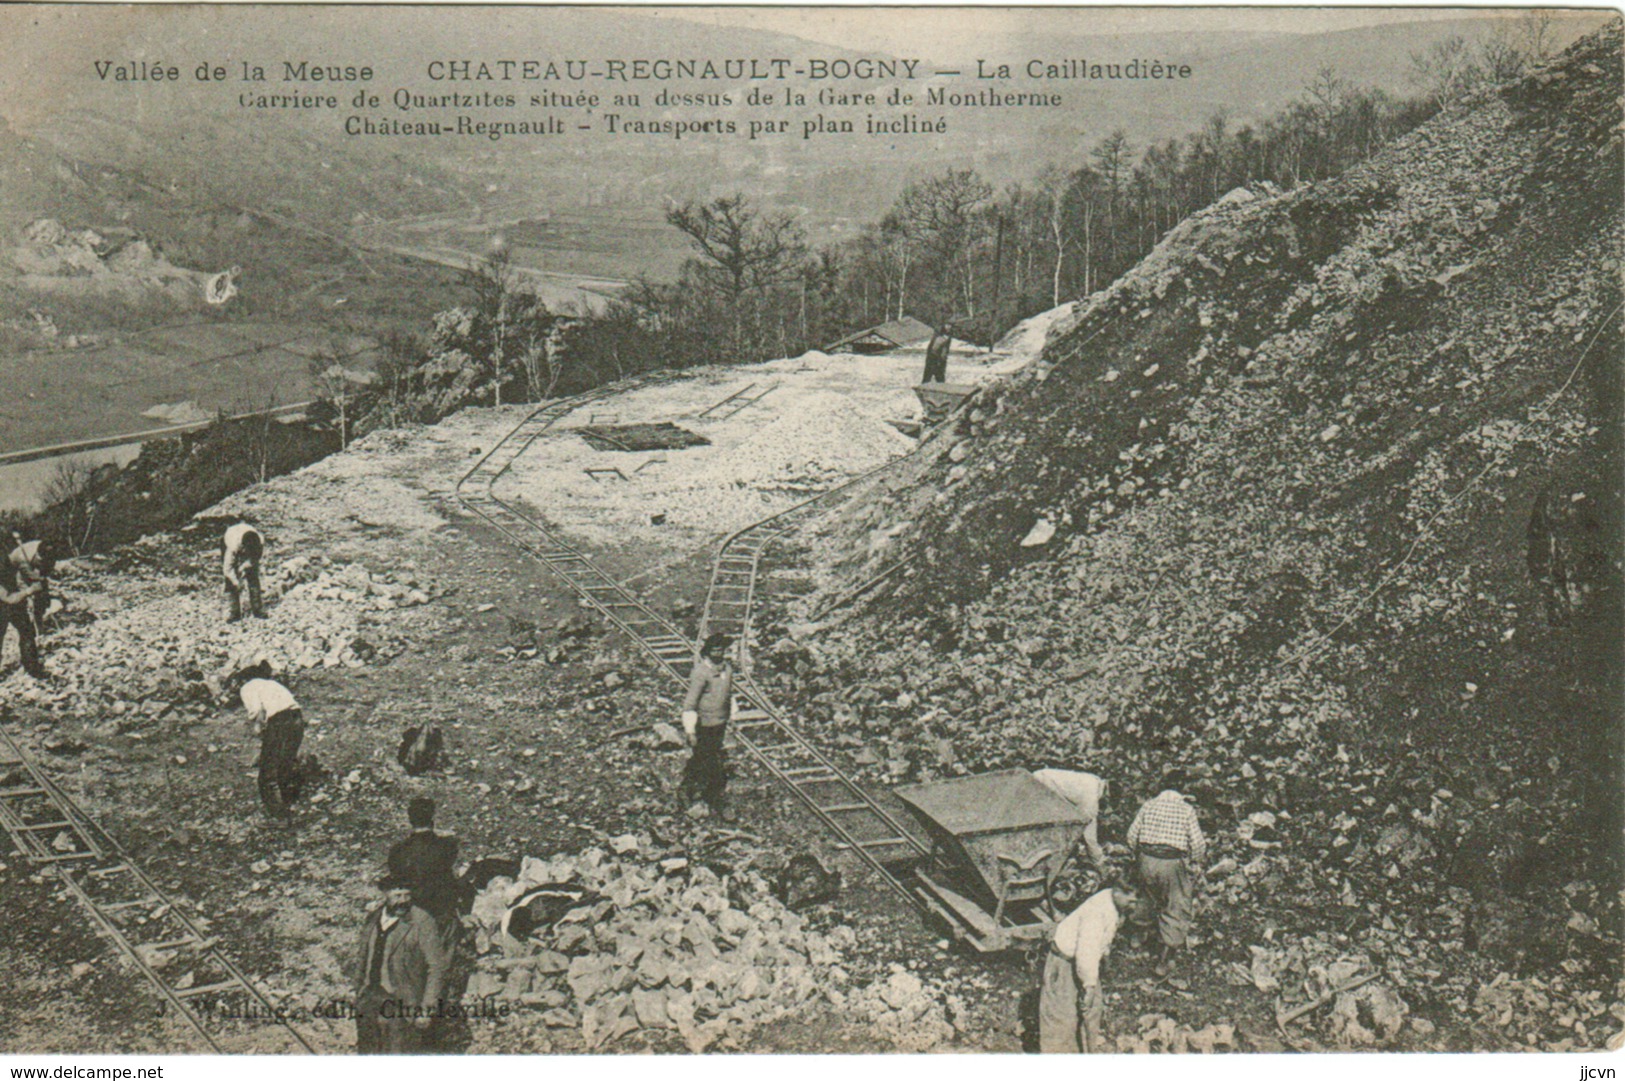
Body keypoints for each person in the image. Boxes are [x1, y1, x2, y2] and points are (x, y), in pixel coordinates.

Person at [354, 874, 450, 1054]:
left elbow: (437, 967)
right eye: (397, 896)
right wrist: (358, 993)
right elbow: (363, 958)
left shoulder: (422, 921)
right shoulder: (373, 919)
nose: (403, 901)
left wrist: (426, 1008)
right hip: (369, 999)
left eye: (407, 895)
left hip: (402, 1001)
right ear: (385, 894)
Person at [1125, 770, 1206, 976]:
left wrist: (1139, 857)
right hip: (1172, 860)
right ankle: (1165, 958)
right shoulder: (1186, 809)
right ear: (1182, 790)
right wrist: (1195, 861)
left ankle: (1137, 937)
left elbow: (1131, 835)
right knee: (1176, 904)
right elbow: (1197, 843)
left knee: (1145, 896)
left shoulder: (1149, 805)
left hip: (1146, 858)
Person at [1039, 885, 1137, 1052]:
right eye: (1131, 901)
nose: (1133, 906)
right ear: (1118, 891)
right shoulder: (1097, 912)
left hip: (1084, 964)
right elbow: (1086, 951)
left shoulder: (1112, 900)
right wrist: (1089, 986)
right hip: (1064, 964)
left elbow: (1102, 939)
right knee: (1061, 1022)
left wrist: (1103, 959)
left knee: (1091, 1012)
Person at [677, 632, 734, 820]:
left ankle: (706, 793)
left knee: (709, 758)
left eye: (722, 649)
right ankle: (693, 793)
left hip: (720, 723)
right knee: (705, 760)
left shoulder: (727, 669)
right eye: (715, 649)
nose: (719, 652)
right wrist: (690, 730)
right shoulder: (701, 672)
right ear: (708, 651)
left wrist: (730, 717)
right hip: (704, 724)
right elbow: (690, 704)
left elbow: (727, 695)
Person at [387, 797, 461, 929]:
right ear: (432, 820)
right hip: (440, 914)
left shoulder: (397, 851)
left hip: (408, 915)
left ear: (410, 820)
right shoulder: (448, 846)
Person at [240, 671, 305, 817]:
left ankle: (278, 817)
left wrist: (258, 728)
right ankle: (289, 802)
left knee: (267, 774)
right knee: (285, 763)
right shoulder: (272, 684)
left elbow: (257, 712)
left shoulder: (247, 687)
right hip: (297, 718)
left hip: (279, 721)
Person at [1032, 767, 1108, 870]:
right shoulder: (1091, 798)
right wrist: (1098, 859)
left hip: (1041, 775)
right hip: (1043, 783)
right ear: (1107, 795)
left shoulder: (1094, 781)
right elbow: (1088, 833)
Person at [0, 549, 47, 680]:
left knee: (27, 631)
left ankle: (32, 667)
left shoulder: (7, 562)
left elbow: (18, 579)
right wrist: (29, 591)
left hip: (15, 603)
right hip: (5, 603)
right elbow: (8, 598)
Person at [222, 521, 266, 622]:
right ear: (243, 547)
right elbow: (227, 569)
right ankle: (233, 612)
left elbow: (255, 559)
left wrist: (246, 566)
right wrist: (237, 582)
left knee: (253, 575)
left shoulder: (259, 542)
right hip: (230, 538)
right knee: (230, 580)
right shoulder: (232, 544)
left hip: (245, 539)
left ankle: (258, 609)